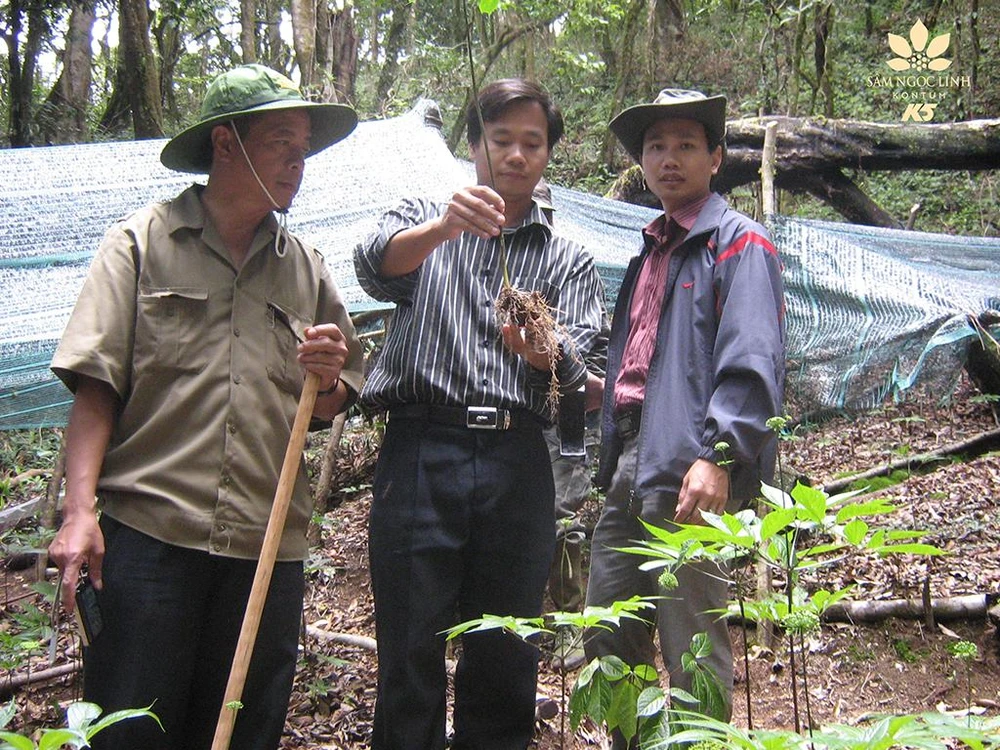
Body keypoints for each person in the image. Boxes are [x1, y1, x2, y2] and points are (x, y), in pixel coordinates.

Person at [46, 64, 365, 750]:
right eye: (281, 142)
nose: (298, 161)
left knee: (243, 732)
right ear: (225, 143)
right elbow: (96, 386)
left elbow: (333, 400)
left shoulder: (306, 269)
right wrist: (78, 514)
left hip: (265, 549)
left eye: (304, 146)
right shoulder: (140, 244)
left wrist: (329, 377)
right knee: (132, 730)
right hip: (150, 539)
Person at [354, 78, 607, 750]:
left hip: (516, 460)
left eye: (533, 143)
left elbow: (583, 374)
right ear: (473, 145)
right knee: (410, 642)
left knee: (505, 646)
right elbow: (373, 266)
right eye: (501, 140)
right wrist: (445, 227)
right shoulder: (423, 216)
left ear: (549, 154)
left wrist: (544, 354)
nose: (516, 155)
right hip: (420, 449)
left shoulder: (567, 258)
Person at [583, 89, 786, 735]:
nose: (669, 159)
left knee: (691, 642)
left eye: (686, 146)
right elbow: (647, 366)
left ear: (715, 158)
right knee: (609, 633)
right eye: (656, 147)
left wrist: (719, 456)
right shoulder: (652, 251)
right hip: (631, 463)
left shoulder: (738, 242)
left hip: (690, 466)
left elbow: (752, 357)